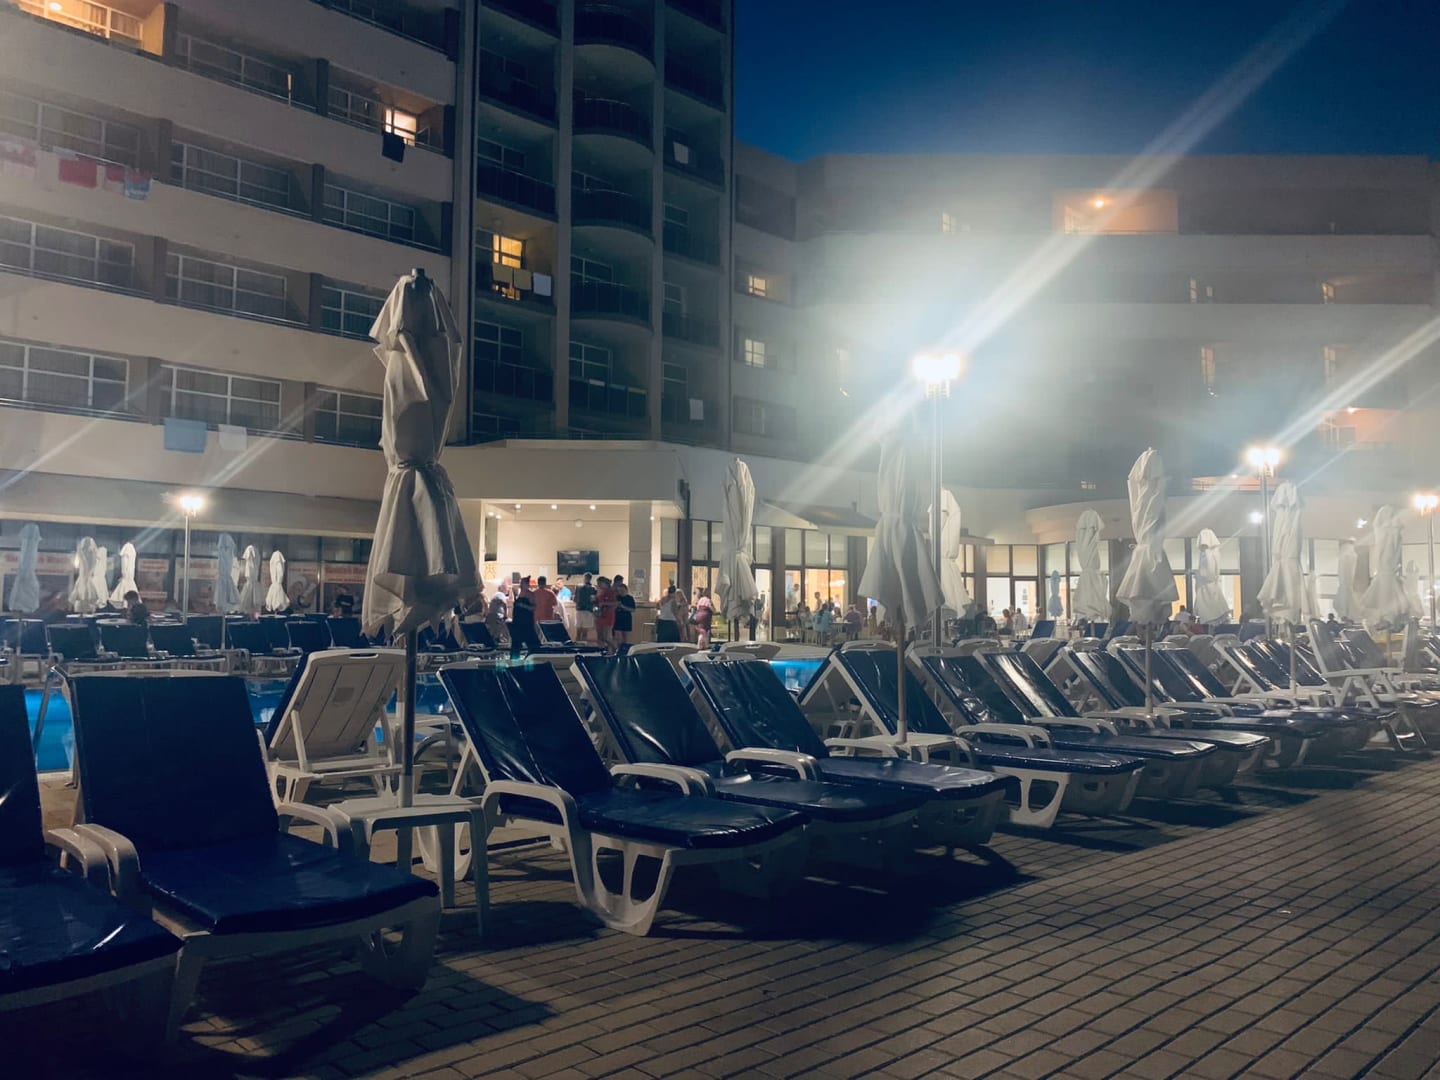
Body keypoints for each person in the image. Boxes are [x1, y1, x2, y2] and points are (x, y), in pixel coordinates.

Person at [509, 576, 540, 658]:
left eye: (522, 583)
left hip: (526, 623)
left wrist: (523, 605)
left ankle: (534, 658)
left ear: (526, 584)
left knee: (533, 644)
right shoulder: (519, 593)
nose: (521, 584)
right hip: (517, 622)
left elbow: (533, 607)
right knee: (516, 645)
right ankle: (514, 661)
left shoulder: (530, 594)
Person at [594, 576, 617, 653]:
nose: (599, 585)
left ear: (605, 583)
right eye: (598, 583)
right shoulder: (599, 592)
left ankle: (615, 649)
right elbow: (597, 603)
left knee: (606, 636)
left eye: (600, 583)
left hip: (608, 615)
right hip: (599, 615)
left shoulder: (611, 592)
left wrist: (604, 603)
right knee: (599, 636)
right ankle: (602, 651)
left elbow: (615, 603)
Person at [613, 575, 635, 652]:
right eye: (619, 591)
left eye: (622, 590)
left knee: (625, 637)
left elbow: (633, 609)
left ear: (626, 590)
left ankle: (624, 650)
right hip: (617, 619)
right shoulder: (617, 597)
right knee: (617, 637)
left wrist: (623, 607)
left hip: (626, 619)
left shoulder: (630, 598)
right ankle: (618, 650)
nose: (621, 592)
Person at [573, 573, 597, 643]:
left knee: (578, 631)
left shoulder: (578, 586)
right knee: (585, 632)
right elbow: (593, 600)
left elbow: (574, 599)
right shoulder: (593, 588)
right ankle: (583, 645)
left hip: (579, 610)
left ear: (584, 578)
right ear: (590, 578)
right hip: (588, 610)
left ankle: (576, 645)